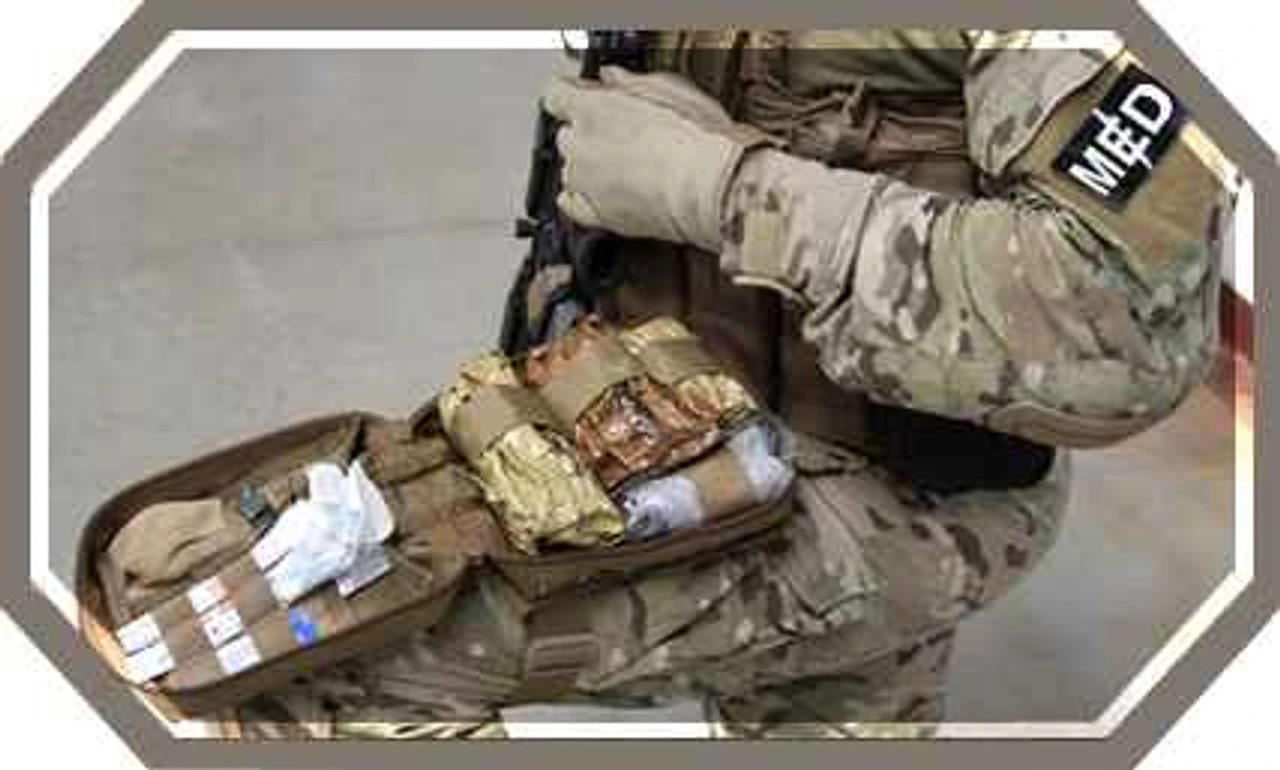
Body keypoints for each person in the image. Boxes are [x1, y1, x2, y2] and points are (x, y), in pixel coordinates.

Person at [232, 29, 1238, 739]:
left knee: (299, 660)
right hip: (656, 404)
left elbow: (1119, 321)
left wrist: (721, 190)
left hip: (891, 478)